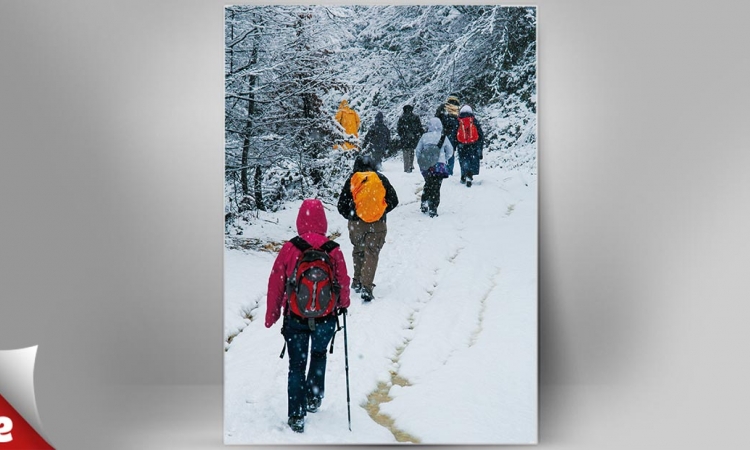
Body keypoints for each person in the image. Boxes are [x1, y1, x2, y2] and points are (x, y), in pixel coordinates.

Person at [265, 198, 351, 433]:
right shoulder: (333, 250)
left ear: (299, 220)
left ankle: (296, 414)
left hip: (296, 317)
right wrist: (343, 305)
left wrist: (271, 315)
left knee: (296, 365)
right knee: (319, 354)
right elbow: (343, 282)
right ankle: (314, 398)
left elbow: (276, 284)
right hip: (326, 316)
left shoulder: (290, 248)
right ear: (323, 220)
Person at [337, 155, 399, 302]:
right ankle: (367, 286)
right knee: (372, 253)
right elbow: (394, 200)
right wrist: (380, 211)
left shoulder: (353, 180)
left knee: (358, 249)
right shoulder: (380, 179)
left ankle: (357, 281)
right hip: (377, 224)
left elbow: (341, 205)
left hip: (356, 224)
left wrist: (353, 216)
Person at [415, 117, 454, 217]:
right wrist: (444, 158)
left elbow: (418, 150)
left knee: (428, 184)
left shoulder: (424, 136)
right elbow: (450, 151)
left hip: (427, 166)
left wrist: (422, 161)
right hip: (439, 166)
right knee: (436, 187)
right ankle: (433, 207)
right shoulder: (443, 137)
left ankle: (424, 202)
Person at [456, 104, 485, 187]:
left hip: (462, 144)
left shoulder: (459, 121)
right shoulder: (474, 121)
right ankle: (469, 175)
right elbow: (480, 135)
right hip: (473, 144)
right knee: (472, 159)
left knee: (463, 159)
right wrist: (480, 147)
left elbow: (455, 134)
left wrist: (455, 145)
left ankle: (463, 175)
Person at [434, 94, 460, 175]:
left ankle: (441, 168)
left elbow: (436, 118)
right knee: (451, 153)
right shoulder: (458, 109)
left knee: (441, 152)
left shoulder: (443, 107)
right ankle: (449, 171)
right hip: (453, 134)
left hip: (443, 133)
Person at [397, 104, 424, 173]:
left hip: (405, 138)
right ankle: (411, 165)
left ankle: (406, 167)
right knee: (411, 151)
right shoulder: (415, 117)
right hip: (413, 137)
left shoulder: (402, 118)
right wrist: (421, 134)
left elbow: (399, 129)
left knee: (406, 152)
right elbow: (419, 127)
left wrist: (402, 136)